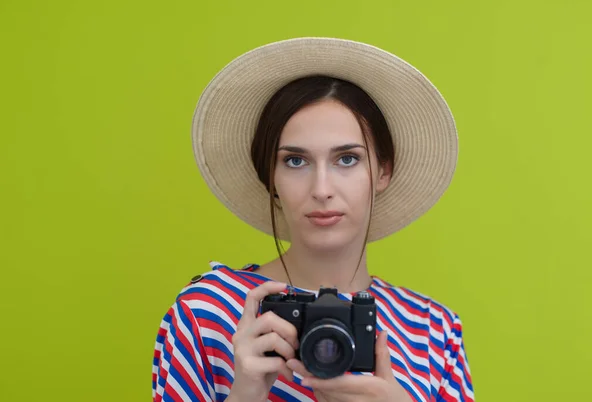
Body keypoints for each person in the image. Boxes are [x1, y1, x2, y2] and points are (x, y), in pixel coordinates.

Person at [151, 38, 475, 402]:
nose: (322, 189)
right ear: (269, 178)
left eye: (347, 159)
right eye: (295, 161)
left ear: (383, 171)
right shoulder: (208, 312)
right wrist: (245, 394)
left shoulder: (433, 330)